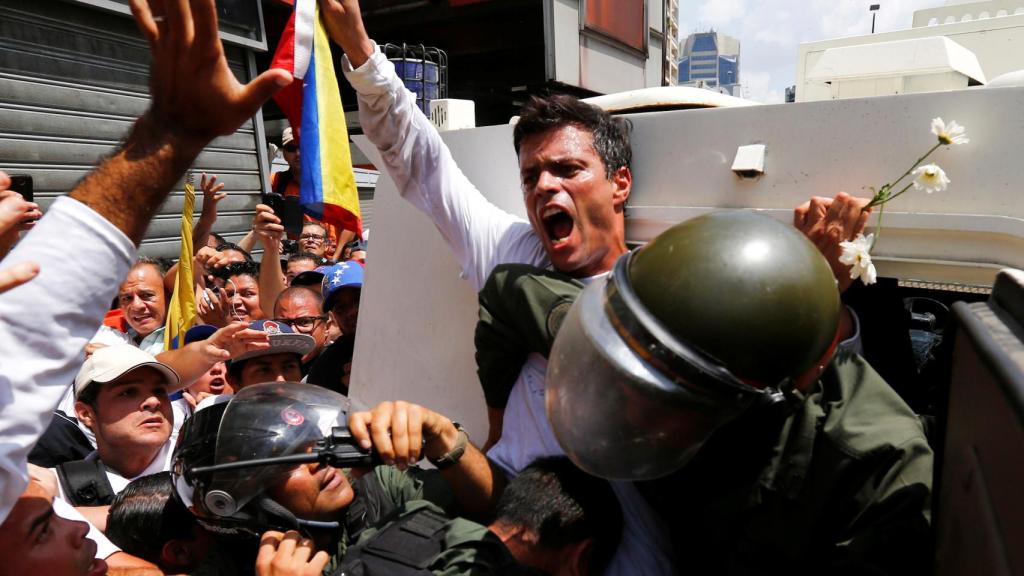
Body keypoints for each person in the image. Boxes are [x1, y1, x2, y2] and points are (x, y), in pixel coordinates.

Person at [0, 0, 291, 532]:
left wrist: (173, 132)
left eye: (157, 390)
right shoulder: (49, 487)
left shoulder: (211, 466)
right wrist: (172, 133)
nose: (154, 403)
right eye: (41, 527)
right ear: (83, 416)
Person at [522, 211, 932, 573]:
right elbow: (513, 293)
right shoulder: (640, 356)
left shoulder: (877, 471)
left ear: (761, 400)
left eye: (663, 391)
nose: (628, 404)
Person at [173, 384, 521, 573]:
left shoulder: (378, 488)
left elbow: (496, 509)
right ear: (242, 505)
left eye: (311, 445)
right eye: (286, 464)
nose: (318, 462)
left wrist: (444, 438)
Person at [225, 319, 316, 390]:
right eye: (264, 370)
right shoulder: (216, 414)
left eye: (289, 367)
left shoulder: (317, 413)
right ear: (234, 381)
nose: (281, 381)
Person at [272, 287, 331, 372]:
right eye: (283, 323)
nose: (292, 332)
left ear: (327, 328)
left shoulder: (339, 369)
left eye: (304, 322)